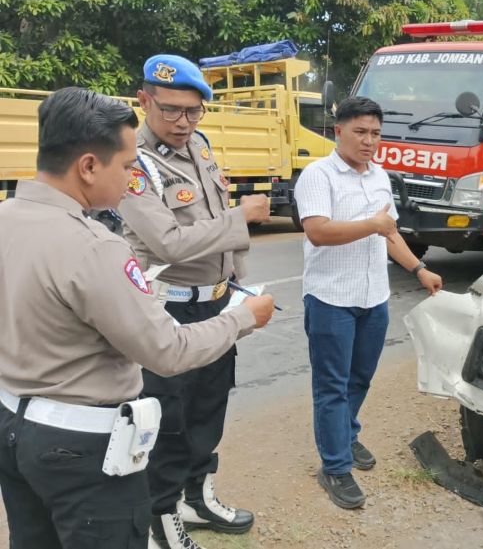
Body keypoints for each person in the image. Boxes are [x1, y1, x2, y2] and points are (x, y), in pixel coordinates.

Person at [0, 87, 274, 549]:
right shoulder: (96, 247)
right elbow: (167, 351)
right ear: (88, 166)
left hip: (13, 426)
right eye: (127, 167)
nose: (132, 179)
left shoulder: (8, 217)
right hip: (83, 448)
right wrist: (243, 318)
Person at [117, 54, 271, 549]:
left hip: (216, 302)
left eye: (194, 111)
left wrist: (237, 284)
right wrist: (242, 218)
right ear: (144, 101)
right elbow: (168, 243)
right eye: (171, 111)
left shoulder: (200, 146)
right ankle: (161, 519)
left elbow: (211, 220)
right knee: (167, 421)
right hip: (168, 310)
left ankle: (198, 497)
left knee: (210, 406)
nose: (184, 122)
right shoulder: (135, 166)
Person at [295, 96, 443, 509]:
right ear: (337, 131)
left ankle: (347, 435)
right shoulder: (318, 176)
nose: (369, 141)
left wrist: (419, 269)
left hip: (373, 297)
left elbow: (390, 234)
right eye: (360, 132)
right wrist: (373, 225)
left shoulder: (379, 177)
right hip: (331, 299)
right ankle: (335, 466)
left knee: (360, 379)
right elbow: (319, 232)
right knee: (332, 386)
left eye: (375, 133)